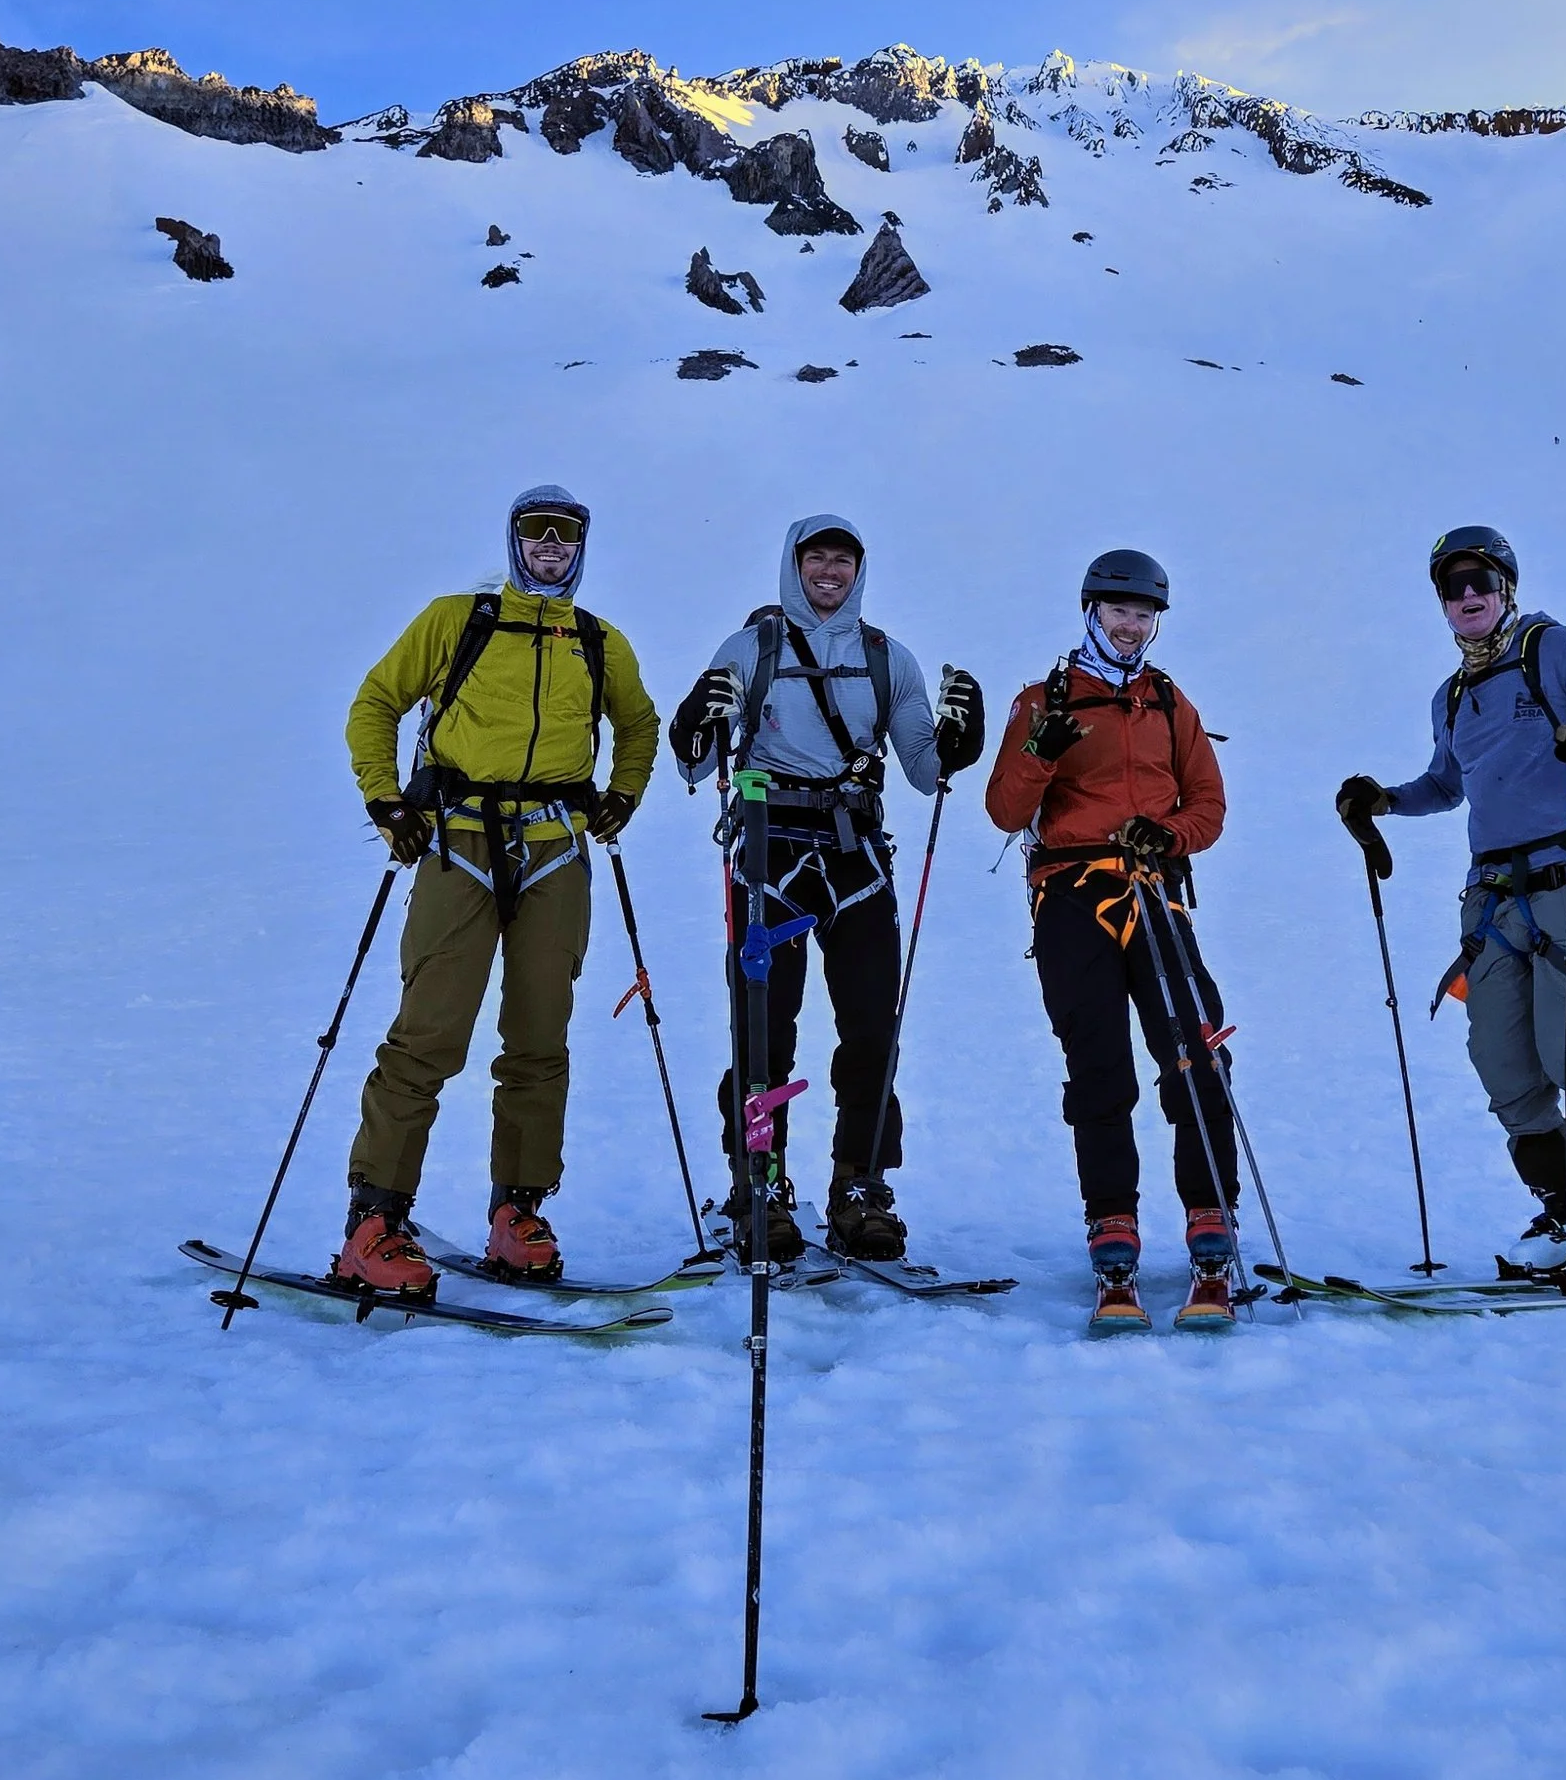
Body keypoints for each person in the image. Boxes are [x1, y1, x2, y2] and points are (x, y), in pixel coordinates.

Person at [336, 484, 660, 1298]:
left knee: (539, 1036)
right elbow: (375, 703)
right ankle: (374, 1221)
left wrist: (623, 792)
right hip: (458, 841)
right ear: (514, 541)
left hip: (554, 848)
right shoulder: (460, 619)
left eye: (565, 535)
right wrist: (386, 801)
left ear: (582, 548)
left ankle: (518, 1213)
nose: (549, 545)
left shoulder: (599, 640)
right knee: (429, 1030)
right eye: (535, 532)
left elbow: (641, 722)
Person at [1337, 522, 1566, 1291]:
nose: (1466, 597)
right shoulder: (1452, 694)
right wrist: (1384, 801)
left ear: (1506, 588)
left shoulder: (1552, 650)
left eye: (1479, 582)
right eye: (1451, 586)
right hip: (1491, 900)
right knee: (1505, 1064)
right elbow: (1448, 785)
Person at [667, 516, 983, 1263]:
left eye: (842, 559)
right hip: (772, 854)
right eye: (817, 559)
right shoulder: (752, 649)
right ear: (794, 564)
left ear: (859, 569)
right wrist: (692, 724)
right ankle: (761, 1181)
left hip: (856, 857)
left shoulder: (886, 659)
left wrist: (959, 743)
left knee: (872, 1027)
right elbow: (694, 763)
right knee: (765, 1028)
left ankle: (859, 1184)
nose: (829, 572)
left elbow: (923, 768)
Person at [984, 548, 1241, 1335]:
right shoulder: (1043, 700)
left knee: (1196, 1051)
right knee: (1098, 1067)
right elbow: (1003, 809)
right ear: (1090, 610)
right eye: (1118, 611)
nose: (1130, 626)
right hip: (1071, 900)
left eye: (1144, 614)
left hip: (1154, 893)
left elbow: (1208, 805)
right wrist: (1041, 751)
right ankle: (1114, 1232)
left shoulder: (1170, 704)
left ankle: (1209, 1223)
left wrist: (1164, 834)